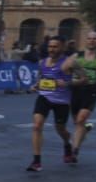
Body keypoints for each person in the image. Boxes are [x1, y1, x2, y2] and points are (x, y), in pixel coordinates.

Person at [27, 37, 77, 172]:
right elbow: (42, 79)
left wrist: (67, 83)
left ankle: (67, 144)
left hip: (62, 101)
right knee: (37, 126)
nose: (52, 49)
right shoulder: (42, 62)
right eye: (50, 47)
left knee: (60, 129)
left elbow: (83, 79)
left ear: (62, 48)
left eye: (55, 47)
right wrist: (36, 85)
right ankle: (36, 162)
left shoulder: (69, 63)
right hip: (44, 97)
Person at [68, 31, 96, 160]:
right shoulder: (77, 56)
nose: (92, 41)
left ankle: (74, 151)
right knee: (77, 122)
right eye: (89, 39)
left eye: (95, 39)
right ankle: (84, 130)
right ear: (85, 40)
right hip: (75, 91)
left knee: (80, 120)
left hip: (91, 92)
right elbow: (65, 68)